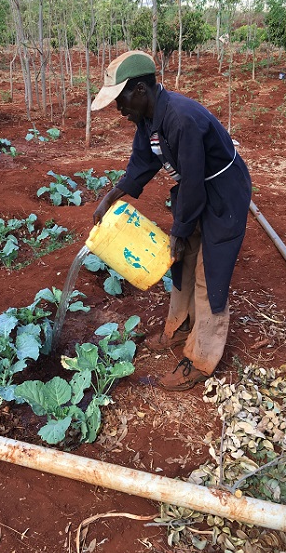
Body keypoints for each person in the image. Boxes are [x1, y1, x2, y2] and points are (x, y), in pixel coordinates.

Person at [91, 50, 252, 391]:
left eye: (120, 100)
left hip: (223, 191)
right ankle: (180, 324)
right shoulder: (147, 119)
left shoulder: (180, 118)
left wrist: (180, 230)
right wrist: (110, 196)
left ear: (139, 90)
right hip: (195, 189)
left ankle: (201, 357)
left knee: (212, 272)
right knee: (182, 260)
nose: (119, 110)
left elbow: (194, 180)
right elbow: (141, 162)